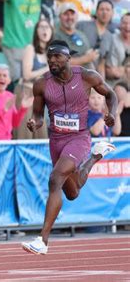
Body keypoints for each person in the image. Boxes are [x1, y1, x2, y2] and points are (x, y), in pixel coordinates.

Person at [22, 40, 118, 255]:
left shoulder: (86, 76)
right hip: (56, 140)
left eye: (56, 56)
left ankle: (42, 240)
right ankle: (95, 156)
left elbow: (111, 94)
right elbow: (37, 115)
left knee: (55, 179)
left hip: (79, 138)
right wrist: (34, 122)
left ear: (67, 57)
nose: (52, 61)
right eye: (49, 57)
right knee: (72, 192)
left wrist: (111, 114)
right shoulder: (41, 84)